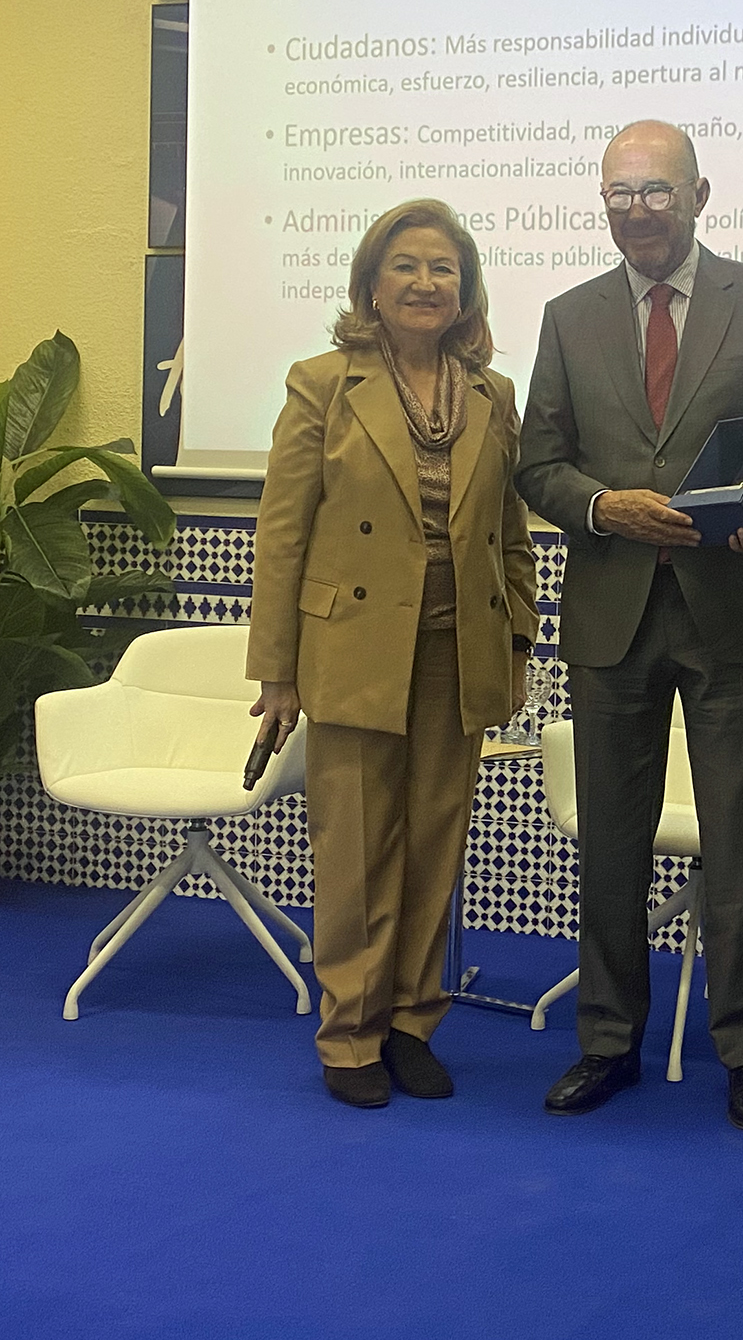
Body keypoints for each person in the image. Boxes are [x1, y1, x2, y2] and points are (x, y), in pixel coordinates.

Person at [516, 120, 743, 1130]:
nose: (637, 210)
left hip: (731, 605)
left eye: (656, 191)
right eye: (620, 193)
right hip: (612, 610)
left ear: (699, 195)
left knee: (741, 843)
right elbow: (538, 463)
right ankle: (607, 1041)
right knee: (611, 842)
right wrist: (606, 507)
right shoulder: (568, 317)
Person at [247, 197, 538, 1109]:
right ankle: (350, 1031)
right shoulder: (322, 383)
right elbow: (282, 532)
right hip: (354, 650)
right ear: (371, 284)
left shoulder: (493, 393)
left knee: (433, 844)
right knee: (357, 851)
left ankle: (412, 1021)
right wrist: (278, 672)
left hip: (459, 649)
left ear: (465, 289)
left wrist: (519, 636)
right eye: (406, 265)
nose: (425, 282)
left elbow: (510, 531)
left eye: (443, 268)